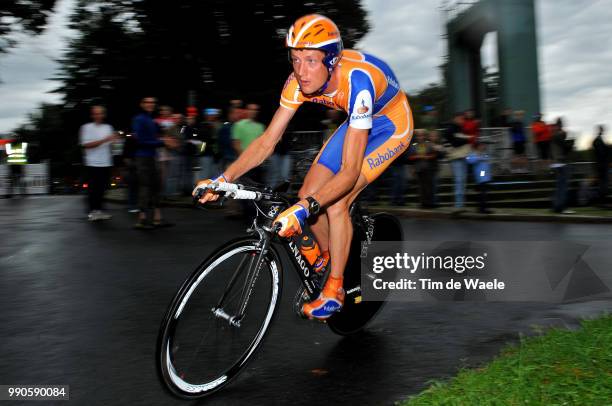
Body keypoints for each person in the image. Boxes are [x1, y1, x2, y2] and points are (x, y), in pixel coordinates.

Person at [194, 14, 414, 319]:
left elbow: (349, 173)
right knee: (307, 194)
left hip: (391, 125)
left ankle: (335, 289)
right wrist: (223, 178)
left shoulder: (357, 83)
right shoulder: (295, 83)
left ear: (332, 60)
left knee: (335, 202)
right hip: (357, 120)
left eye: (311, 60)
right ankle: (328, 257)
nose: (301, 71)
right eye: (295, 59)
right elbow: (267, 141)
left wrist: (303, 211)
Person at [132, 97, 177, 229]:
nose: (150, 104)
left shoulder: (151, 120)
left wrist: (166, 139)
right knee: (145, 187)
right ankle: (142, 220)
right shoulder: (139, 119)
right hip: (143, 158)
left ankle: (158, 218)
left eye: (153, 102)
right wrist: (163, 142)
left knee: (156, 187)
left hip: (153, 157)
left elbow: (157, 137)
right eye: (147, 102)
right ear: (142, 104)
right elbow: (140, 141)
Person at [79, 106, 118, 221]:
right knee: (93, 189)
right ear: (92, 115)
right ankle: (92, 212)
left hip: (106, 162)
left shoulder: (108, 127)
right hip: (92, 163)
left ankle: (99, 211)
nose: (98, 116)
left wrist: (116, 141)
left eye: (100, 113)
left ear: (103, 115)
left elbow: (113, 145)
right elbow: (86, 145)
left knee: (103, 189)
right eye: (95, 114)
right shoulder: (86, 127)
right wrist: (105, 140)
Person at [444, 112, 471, 212]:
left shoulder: (460, 129)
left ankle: (461, 204)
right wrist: (466, 140)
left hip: (462, 156)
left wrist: (465, 139)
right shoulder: (450, 129)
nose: (462, 121)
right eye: (461, 118)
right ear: (455, 118)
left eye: (463, 119)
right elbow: (455, 143)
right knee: (459, 180)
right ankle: (458, 205)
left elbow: (459, 140)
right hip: (456, 158)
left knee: (462, 180)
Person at [232, 103, 265, 182]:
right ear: (246, 111)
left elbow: (262, 144)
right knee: (245, 187)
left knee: (257, 187)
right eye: (251, 109)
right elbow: (236, 144)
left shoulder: (260, 126)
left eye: (255, 110)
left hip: (257, 163)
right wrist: (246, 159)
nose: (253, 111)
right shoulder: (239, 125)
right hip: (244, 163)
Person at [550, 117, 574, 214]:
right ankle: (561, 208)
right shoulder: (558, 136)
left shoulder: (553, 136)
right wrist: (571, 142)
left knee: (559, 185)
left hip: (556, 163)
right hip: (562, 162)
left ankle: (556, 206)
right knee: (563, 186)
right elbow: (566, 148)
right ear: (561, 125)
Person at [408, 129, 436, 208]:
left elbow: (434, 155)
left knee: (428, 186)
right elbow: (410, 157)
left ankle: (429, 203)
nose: (420, 137)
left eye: (422, 135)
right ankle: (422, 203)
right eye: (419, 136)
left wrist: (427, 157)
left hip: (427, 168)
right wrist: (418, 156)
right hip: (418, 169)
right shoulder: (414, 146)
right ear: (417, 137)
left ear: (424, 136)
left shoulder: (429, 145)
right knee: (420, 187)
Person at [466, 142, 493, 214]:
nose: (483, 147)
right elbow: (469, 160)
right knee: (483, 191)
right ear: (477, 146)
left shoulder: (485, 154)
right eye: (481, 145)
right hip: (480, 174)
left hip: (486, 174)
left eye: (484, 145)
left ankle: (483, 207)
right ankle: (482, 208)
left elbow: (488, 161)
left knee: (484, 192)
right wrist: (478, 157)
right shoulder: (473, 154)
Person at [591, 125, 609, 206]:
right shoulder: (598, 140)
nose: (603, 131)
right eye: (602, 129)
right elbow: (601, 154)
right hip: (602, 165)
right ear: (600, 130)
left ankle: (601, 201)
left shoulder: (597, 140)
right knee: (603, 184)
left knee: (601, 184)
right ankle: (602, 202)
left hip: (599, 165)